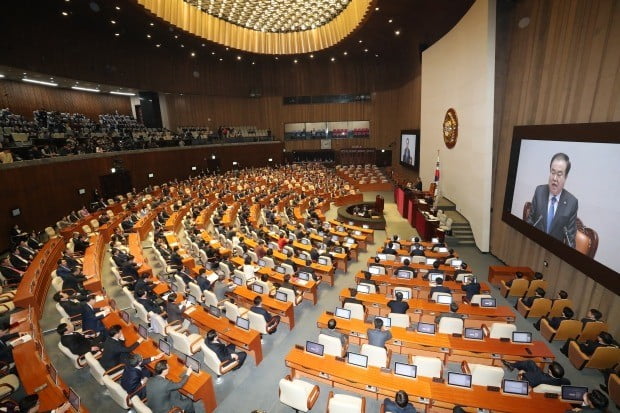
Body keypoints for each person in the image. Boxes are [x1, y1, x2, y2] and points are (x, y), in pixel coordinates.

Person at [526, 153, 578, 247]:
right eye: (552, 172)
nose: (554, 178)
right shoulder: (539, 192)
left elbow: (570, 241)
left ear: (565, 177)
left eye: (559, 174)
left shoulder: (572, 203)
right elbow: (530, 221)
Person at [501, 360, 570, 388]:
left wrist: (521, 373)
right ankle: (512, 365)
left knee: (525, 368)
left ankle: (512, 366)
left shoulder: (538, 376)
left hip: (535, 381)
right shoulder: (566, 381)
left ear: (550, 372)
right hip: (544, 378)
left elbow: (523, 378)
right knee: (530, 363)